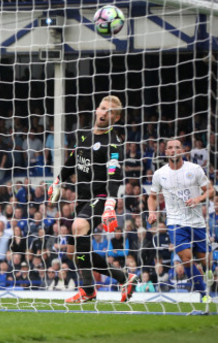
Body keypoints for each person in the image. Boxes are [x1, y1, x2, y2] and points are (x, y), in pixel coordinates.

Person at [48, 95, 138, 303]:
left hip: (101, 196)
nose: (104, 113)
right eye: (102, 108)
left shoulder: (113, 143)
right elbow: (72, 161)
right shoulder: (83, 135)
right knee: (74, 252)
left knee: (79, 226)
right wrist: (58, 180)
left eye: (110, 111)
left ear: (115, 118)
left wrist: (110, 204)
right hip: (83, 199)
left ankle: (88, 290)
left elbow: (115, 175)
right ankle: (124, 278)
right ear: (97, 110)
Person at [147, 138, 215, 302]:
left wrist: (198, 199)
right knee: (186, 259)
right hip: (175, 222)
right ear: (166, 152)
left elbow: (211, 191)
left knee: (205, 261)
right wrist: (151, 212)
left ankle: (209, 271)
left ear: (183, 151)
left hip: (197, 222)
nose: (174, 150)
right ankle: (204, 295)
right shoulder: (160, 174)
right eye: (170, 147)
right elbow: (152, 196)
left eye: (177, 147)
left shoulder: (195, 169)